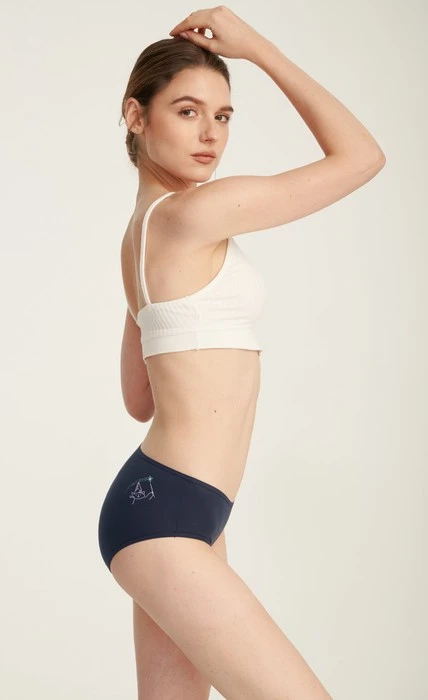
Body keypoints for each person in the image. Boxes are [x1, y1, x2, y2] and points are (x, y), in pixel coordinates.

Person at [98, 6, 385, 699]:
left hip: (170, 507)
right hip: (168, 517)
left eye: (223, 116)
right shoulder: (195, 213)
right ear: (135, 116)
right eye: (188, 111)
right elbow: (362, 157)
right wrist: (259, 49)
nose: (210, 134)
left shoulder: (137, 237)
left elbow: (140, 399)